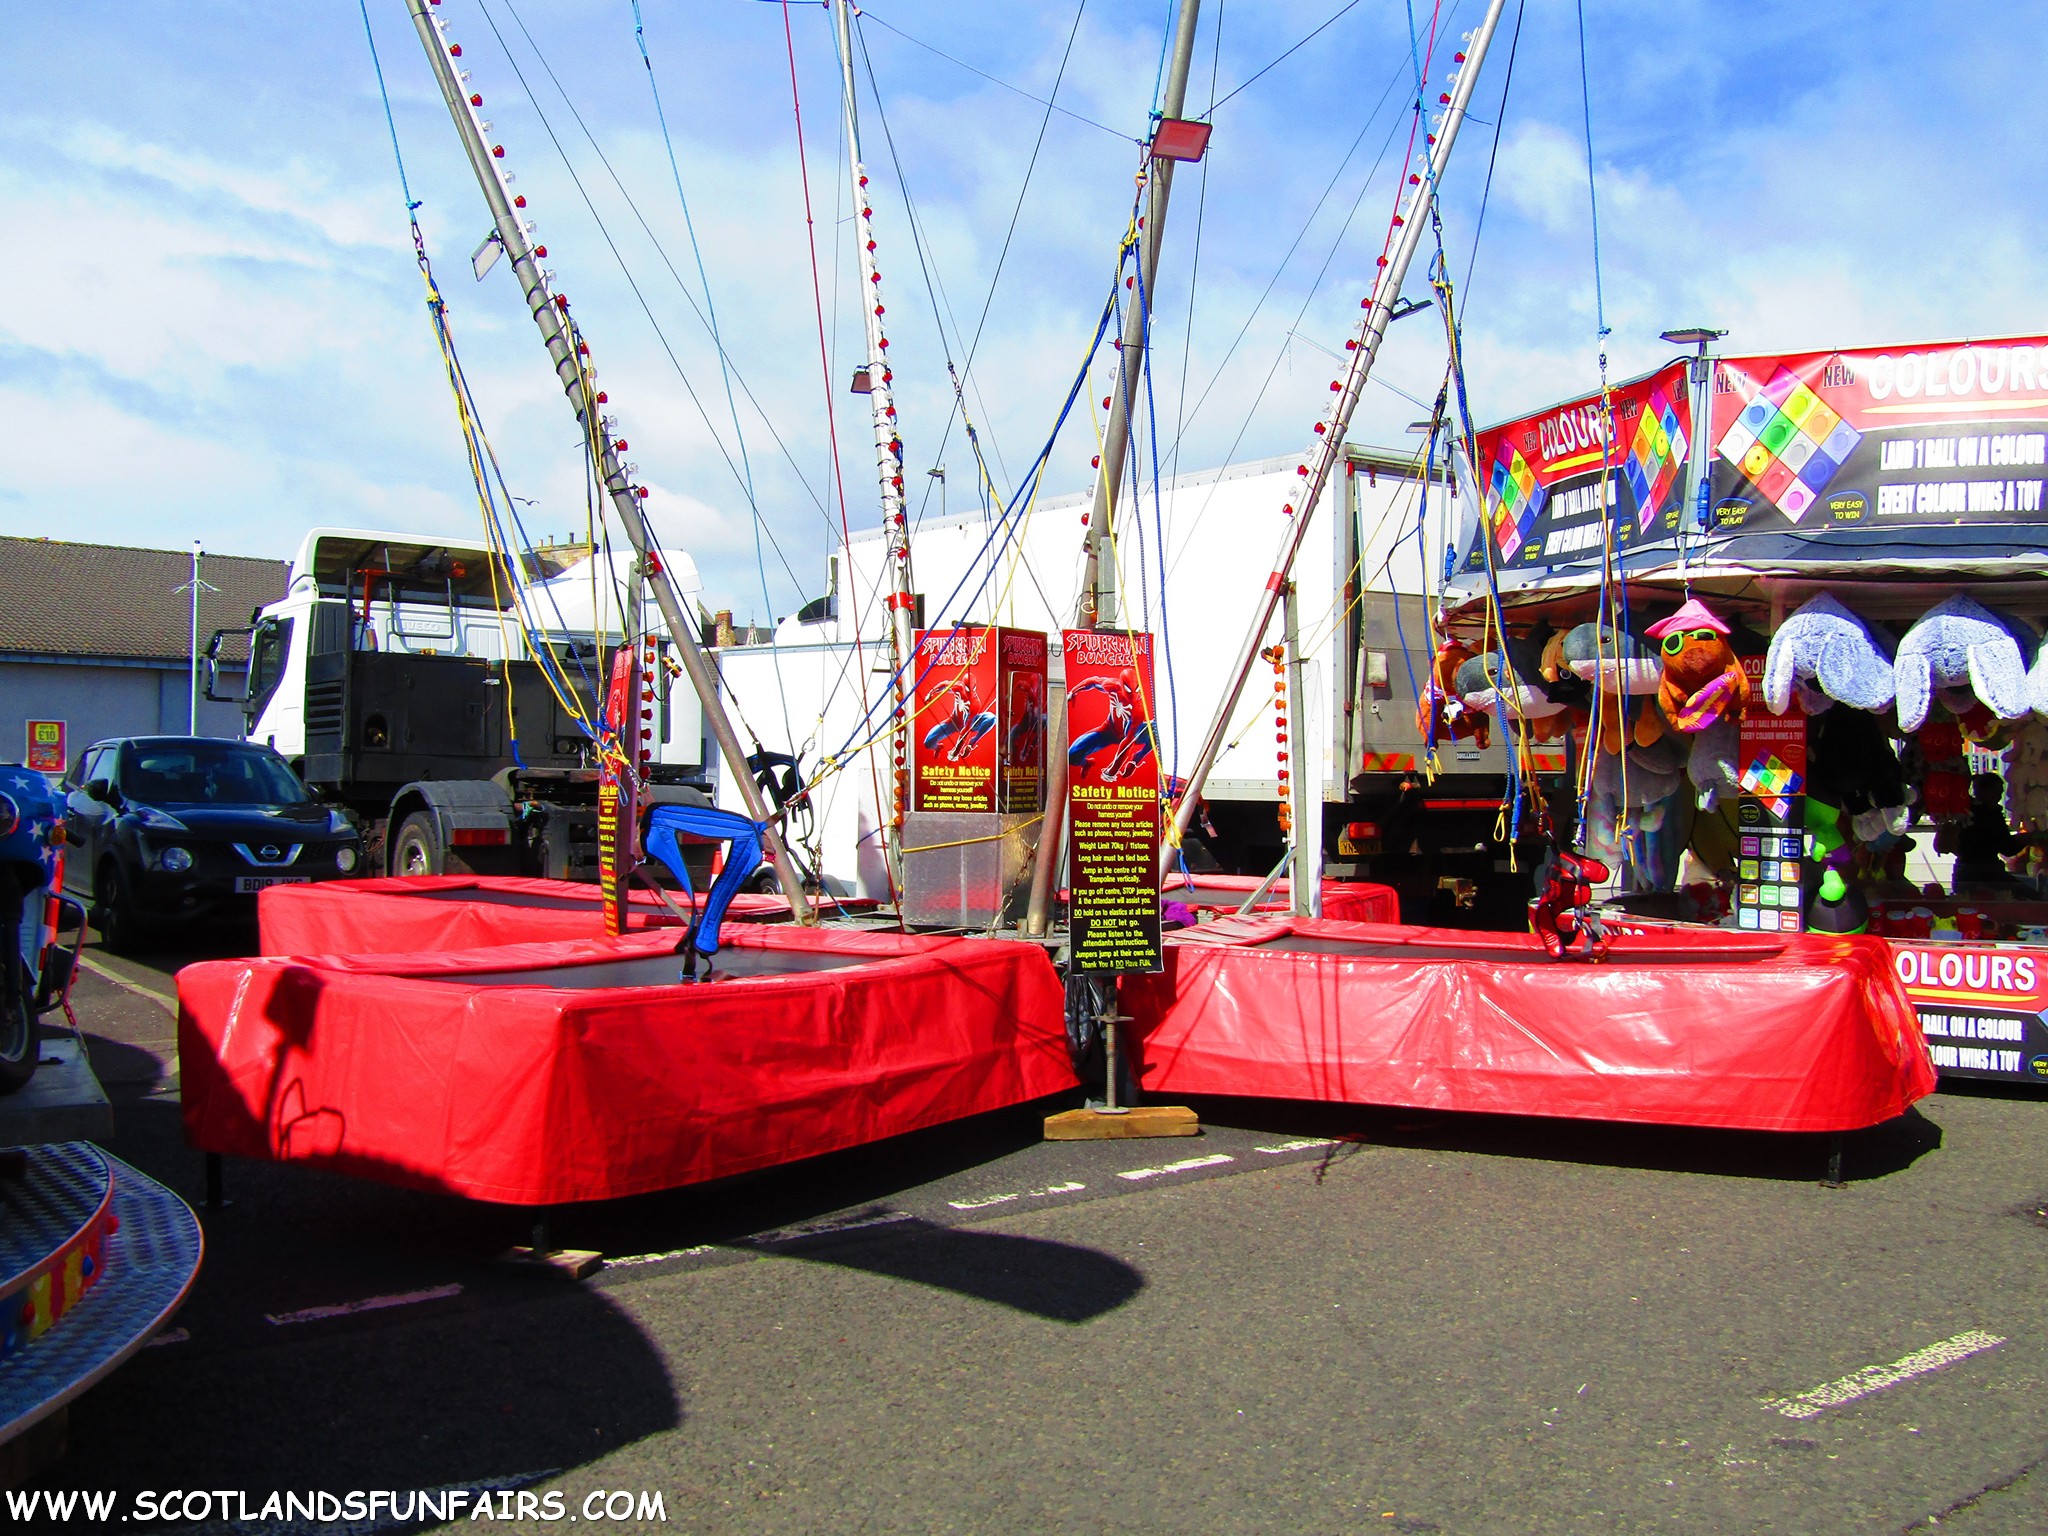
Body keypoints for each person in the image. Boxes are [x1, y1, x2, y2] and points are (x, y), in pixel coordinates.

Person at [1067, 667, 1156, 783]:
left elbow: (1128, 742)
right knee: (1071, 755)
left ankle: (1137, 757)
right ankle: (1087, 763)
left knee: (1156, 728)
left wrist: (1114, 770)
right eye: (1129, 690)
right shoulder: (1113, 686)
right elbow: (1093, 681)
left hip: (1132, 733)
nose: (1133, 695)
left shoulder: (1138, 709)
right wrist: (1073, 691)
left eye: (1136, 690)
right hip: (1109, 729)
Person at [1952, 772, 2026, 890]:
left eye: (2000, 793)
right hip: (1985, 874)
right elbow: (2006, 847)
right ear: (1982, 792)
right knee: (2026, 895)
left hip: (1963, 871)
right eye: (1995, 792)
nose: (1999, 797)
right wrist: (2026, 838)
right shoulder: (1989, 815)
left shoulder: (1966, 810)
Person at [921, 677, 997, 763]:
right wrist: (931, 693)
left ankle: (973, 741)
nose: (970, 693)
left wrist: (956, 752)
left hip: (970, 724)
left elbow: (966, 729)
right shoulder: (958, 687)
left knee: (992, 718)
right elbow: (944, 684)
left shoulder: (975, 704)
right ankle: (938, 747)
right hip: (953, 722)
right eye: (968, 689)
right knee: (928, 742)